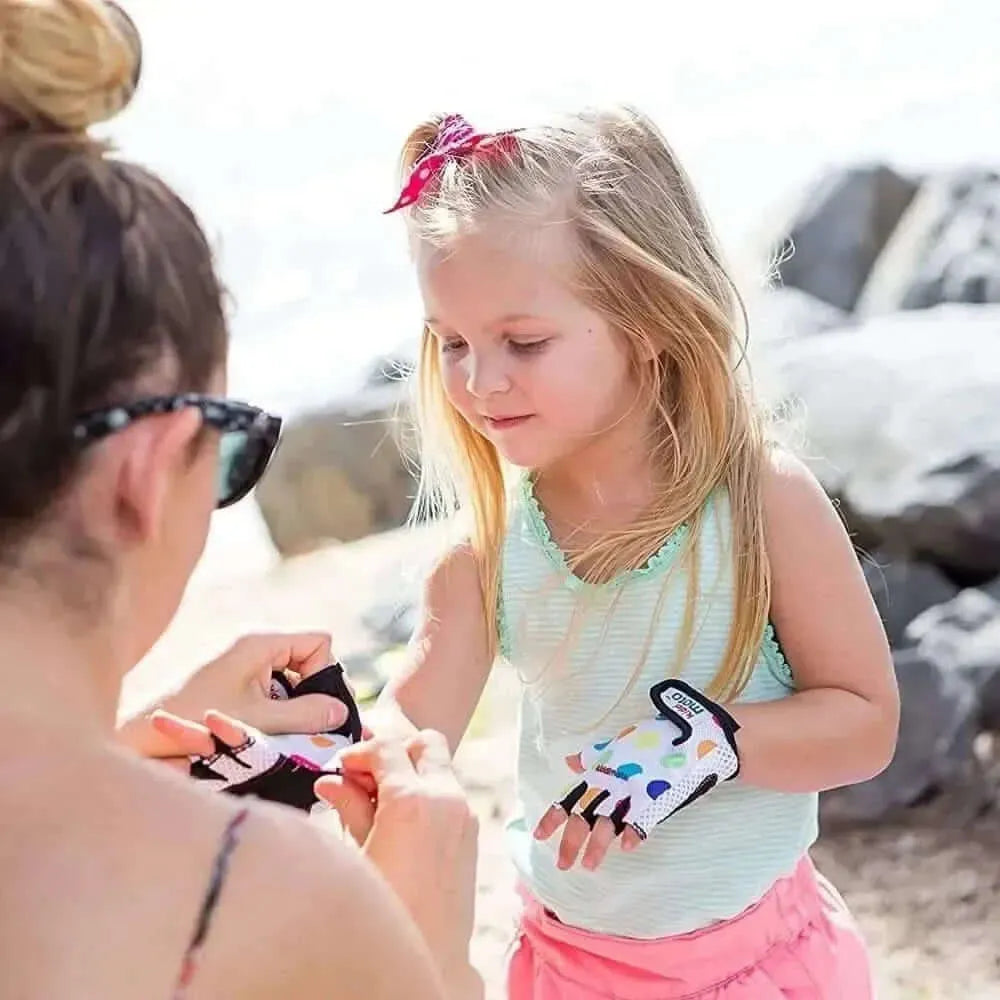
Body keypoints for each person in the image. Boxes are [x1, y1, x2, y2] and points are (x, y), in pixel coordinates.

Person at [0, 4, 481, 998]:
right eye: (228, 451)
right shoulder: (261, 901)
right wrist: (420, 942)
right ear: (148, 465)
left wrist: (105, 749)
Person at [369, 109, 901, 998]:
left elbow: (865, 721)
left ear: (648, 318)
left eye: (523, 342)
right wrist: (309, 758)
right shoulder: (487, 555)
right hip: (571, 973)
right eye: (451, 342)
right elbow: (408, 740)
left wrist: (707, 746)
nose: (478, 380)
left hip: (765, 968)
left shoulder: (763, 505)